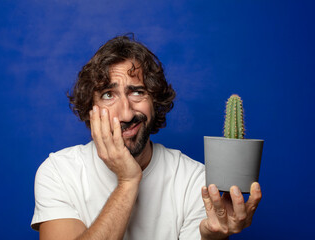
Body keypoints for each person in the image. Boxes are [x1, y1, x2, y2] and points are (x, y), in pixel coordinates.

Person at [31, 35, 262, 240]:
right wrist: (128, 181)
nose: (126, 113)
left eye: (137, 92)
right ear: (91, 109)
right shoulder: (58, 172)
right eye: (108, 95)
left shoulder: (194, 180)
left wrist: (210, 238)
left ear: (155, 101)